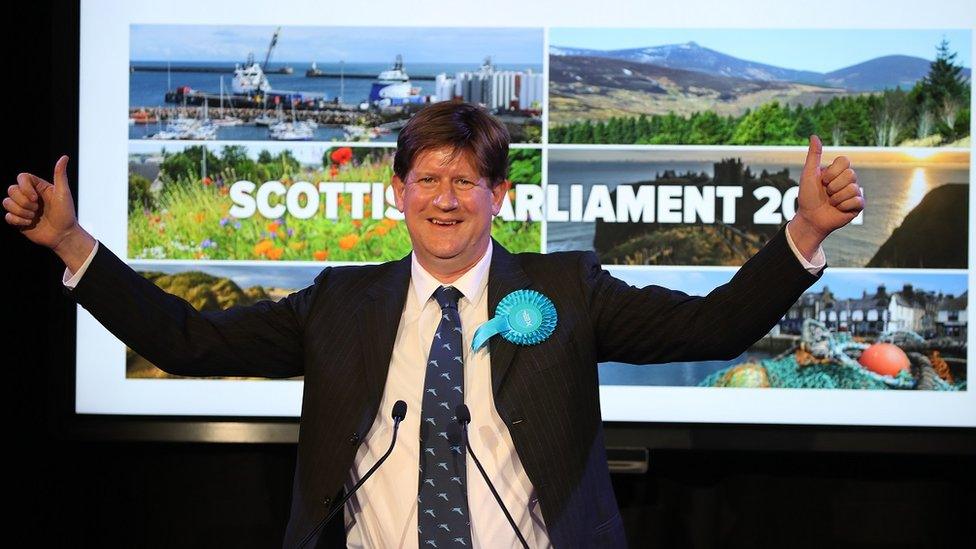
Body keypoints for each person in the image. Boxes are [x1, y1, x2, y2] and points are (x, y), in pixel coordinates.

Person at [5, 101, 863, 548]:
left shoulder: (569, 287)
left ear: (503, 197)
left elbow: (710, 327)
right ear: (397, 194)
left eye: (466, 181)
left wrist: (805, 235)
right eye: (426, 179)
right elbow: (190, 341)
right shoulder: (341, 301)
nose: (444, 199)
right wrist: (73, 242)